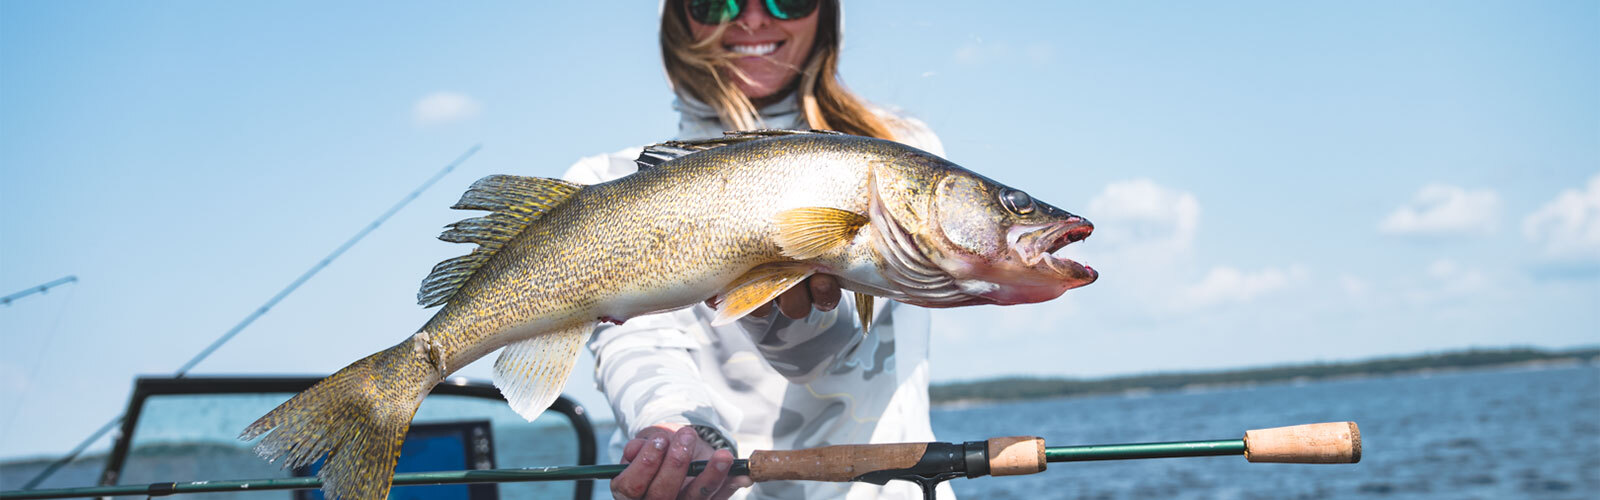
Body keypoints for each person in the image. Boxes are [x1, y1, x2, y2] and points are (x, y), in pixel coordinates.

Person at [561, 1, 950, 498]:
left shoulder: (896, 151)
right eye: (713, 1)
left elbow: (833, 355)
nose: (753, 19)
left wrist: (784, 310)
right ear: (675, 18)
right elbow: (638, 340)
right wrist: (682, 432)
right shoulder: (604, 185)